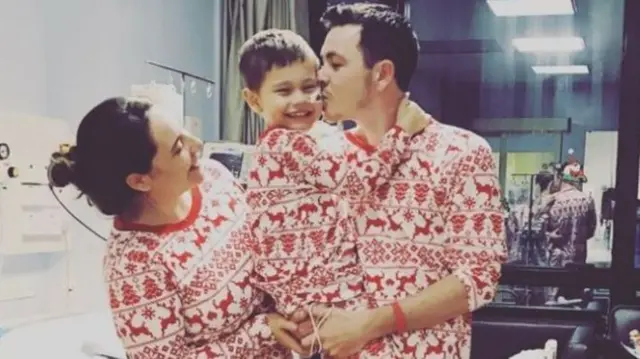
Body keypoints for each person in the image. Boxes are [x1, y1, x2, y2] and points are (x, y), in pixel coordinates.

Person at [295, 3, 508, 358]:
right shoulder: (321, 157)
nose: (320, 76)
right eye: (321, 63)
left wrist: (369, 324)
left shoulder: (461, 153)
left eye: (335, 63)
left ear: (382, 74)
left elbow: (478, 278)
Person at [47, 95, 299, 358]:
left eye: (184, 133)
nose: (197, 145)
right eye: (178, 148)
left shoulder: (215, 179)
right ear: (140, 180)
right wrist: (260, 332)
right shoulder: (134, 268)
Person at [237, 29, 427, 357]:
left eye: (310, 87)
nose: (301, 100)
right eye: (284, 91)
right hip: (320, 287)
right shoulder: (287, 143)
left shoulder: (303, 139)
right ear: (254, 100)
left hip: (304, 287)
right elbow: (356, 184)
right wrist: (401, 133)